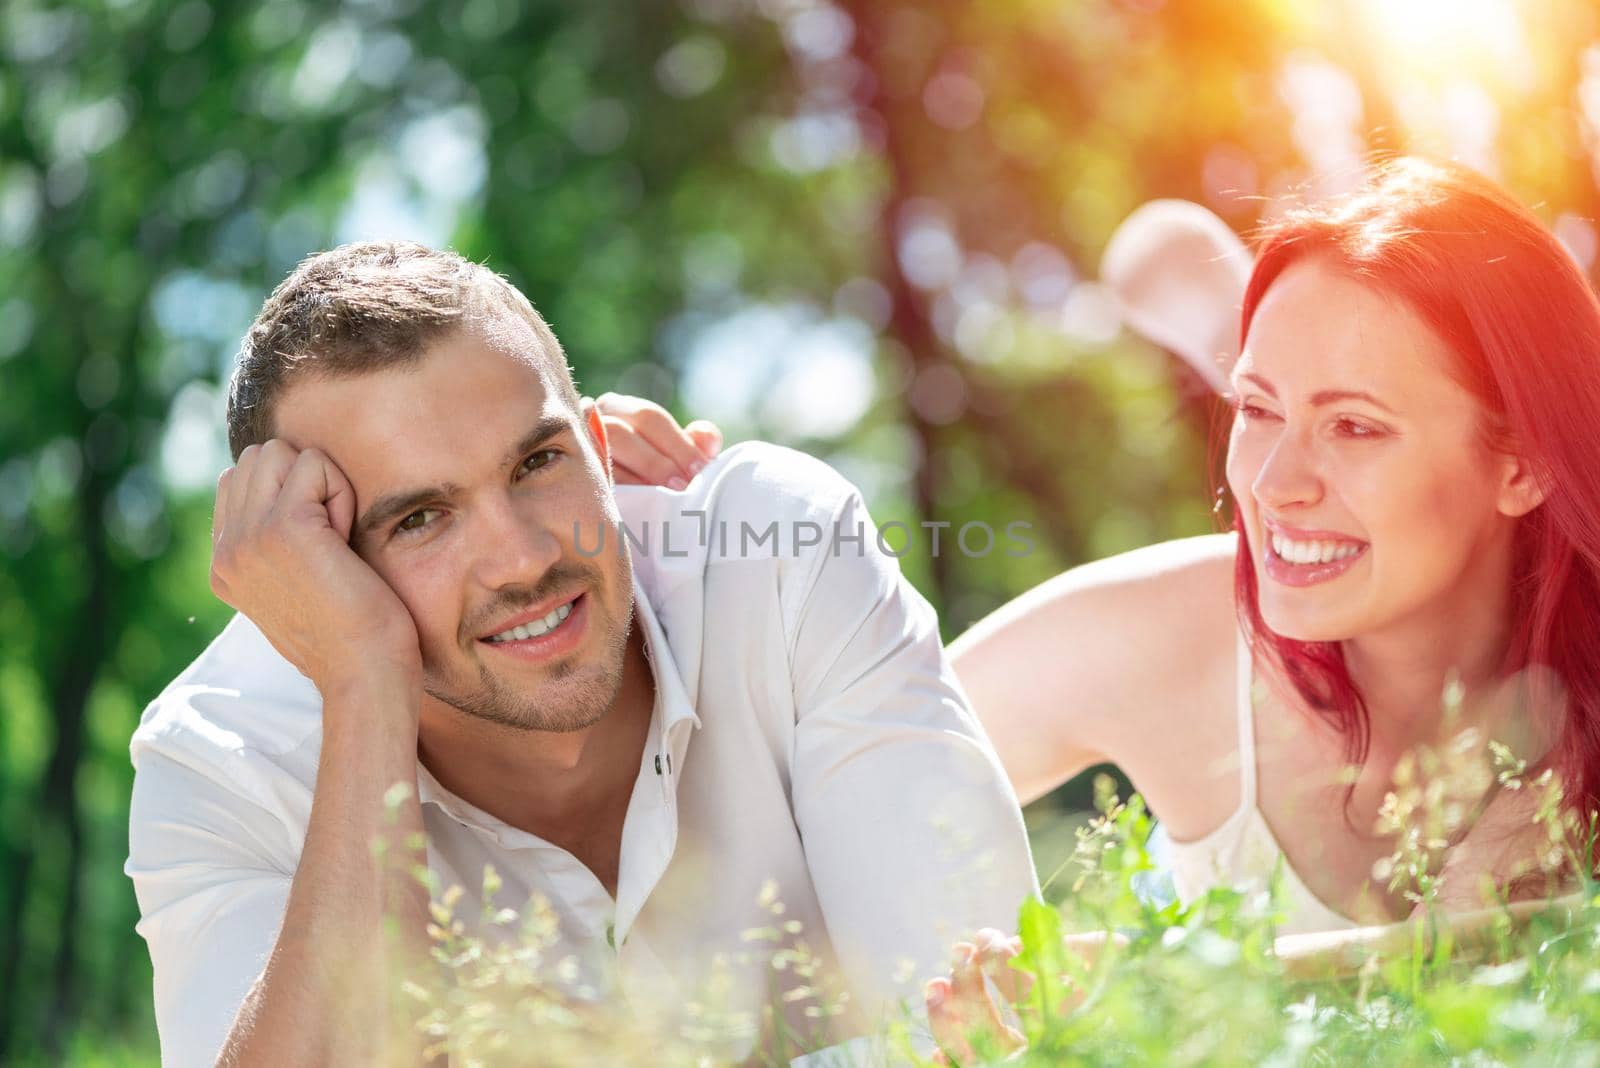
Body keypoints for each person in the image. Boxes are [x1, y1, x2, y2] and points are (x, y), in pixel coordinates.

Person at [616, 156, 1600, 935]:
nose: (1268, 483)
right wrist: (571, 526)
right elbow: (750, 820)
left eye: (1355, 427)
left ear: (1522, 464)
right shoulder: (1165, 640)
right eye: (1254, 408)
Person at [124, 242, 1038, 1067]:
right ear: (320, 566)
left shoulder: (780, 555)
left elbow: (989, 1035)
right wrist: (364, 684)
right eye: (420, 520)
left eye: (538, 465)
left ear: (599, 449)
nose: (524, 558)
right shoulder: (219, 761)